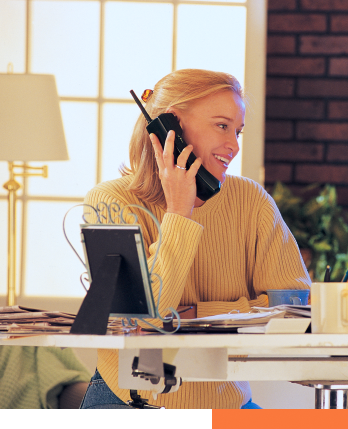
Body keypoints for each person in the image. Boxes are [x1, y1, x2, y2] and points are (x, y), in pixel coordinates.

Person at [79, 69, 311, 409]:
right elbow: (141, 323)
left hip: (227, 404)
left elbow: (294, 310)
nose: (234, 145)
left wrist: (195, 316)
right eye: (222, 125)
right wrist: (178, 212)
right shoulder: (108, 202)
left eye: (237, 130)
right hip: (130, 400)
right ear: (170, 128)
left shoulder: (251, 200)